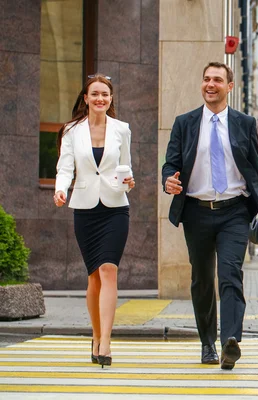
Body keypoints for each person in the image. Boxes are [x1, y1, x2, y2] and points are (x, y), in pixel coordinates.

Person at [162, 62, 258, 370]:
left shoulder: (245, 123)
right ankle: (207, 341)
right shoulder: (185, 122)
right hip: (196, 211)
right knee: (202, 279)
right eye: (206, 78)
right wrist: (169, 180)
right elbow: (171, 163)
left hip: (234, 210)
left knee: (231, 273)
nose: (210, 84)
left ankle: (230, 341)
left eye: (217, 79)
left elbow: (254, 168)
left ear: (229, 86)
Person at [54, 74, 135, 368]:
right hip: (85, 207)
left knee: (108, 270)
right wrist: (61, 190)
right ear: (86, 98)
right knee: (93, 277)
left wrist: (128, 181)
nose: (101, 99)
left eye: (106, 95)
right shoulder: (72, 131)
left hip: (115, 207)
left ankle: (106, 342)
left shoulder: (122, 130)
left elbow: (125, 167)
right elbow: (65, 168)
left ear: (111, 100)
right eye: (95, 94)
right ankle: (96, 334)